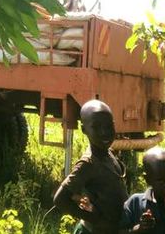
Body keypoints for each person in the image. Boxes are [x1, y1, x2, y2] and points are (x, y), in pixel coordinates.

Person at [54, 99, 128, 234]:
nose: (104, 132)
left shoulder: (108, 153)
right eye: (96, 127)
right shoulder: (88, 164)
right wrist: (93, 218)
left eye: (108, 126)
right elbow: (60, 199)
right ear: (84, 129)